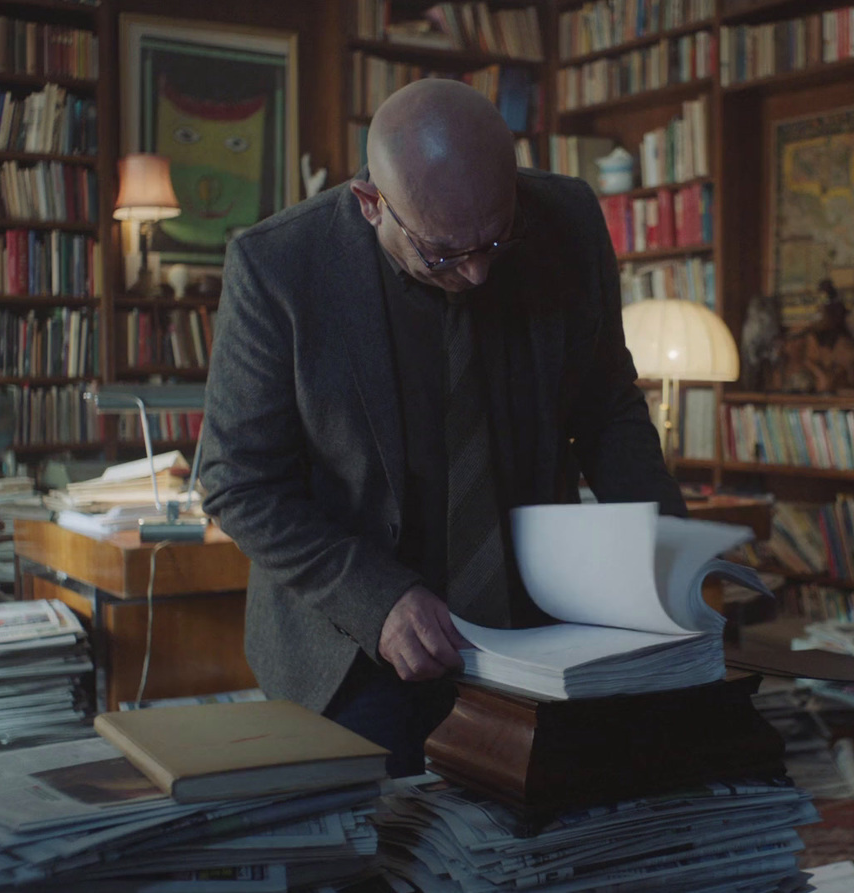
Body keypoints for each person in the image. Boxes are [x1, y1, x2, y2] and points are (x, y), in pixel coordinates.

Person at [198, 79, 685, 776]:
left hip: (537, 630)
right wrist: (378, 598)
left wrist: (665, 546)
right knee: (384, 859)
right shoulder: (279, 268)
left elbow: (606, 406)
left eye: (497, 238)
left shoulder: (566, 218)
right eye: (445, 254)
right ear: (372, 205)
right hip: (356, 644)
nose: (481, 272)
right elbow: (237, 482)